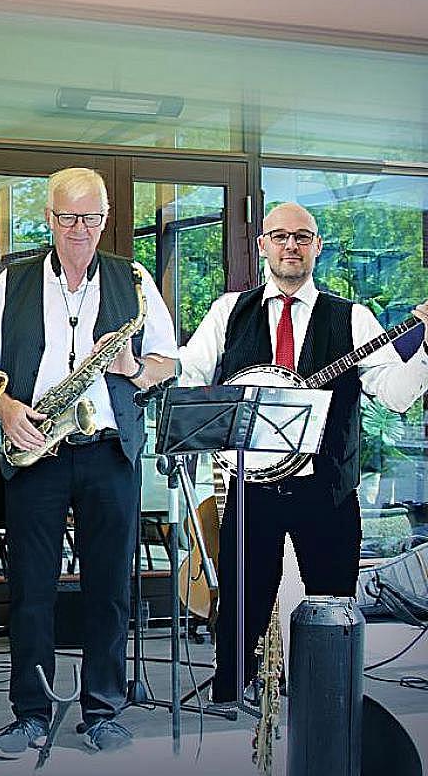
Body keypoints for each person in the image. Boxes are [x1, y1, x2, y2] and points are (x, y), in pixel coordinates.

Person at [0, 167, 177, 757]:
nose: (79, 229)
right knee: (31, 589)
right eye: (67, 217)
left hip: (108, 451)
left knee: (109, 588)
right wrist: (6, 407)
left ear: (105, 219)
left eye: (91, 218)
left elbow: (169, 363)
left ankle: (103, 710)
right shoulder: (14, 280)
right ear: (49, 218)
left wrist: (134, 367)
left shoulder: (133, 279)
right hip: (38, 451)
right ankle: (30, 714)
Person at [178, 201, 428, 703]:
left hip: (327, 487)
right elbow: (191, 377)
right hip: (252, 487)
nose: (290, 245)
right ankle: (229, 700)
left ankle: (329, 707)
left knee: (333, 607)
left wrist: (426, 349)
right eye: (279, 236)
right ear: (262, 245)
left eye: (301, 237)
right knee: (241, 607)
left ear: (317, 246)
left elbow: (396, 395)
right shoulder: (229, 311)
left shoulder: (353, 317)